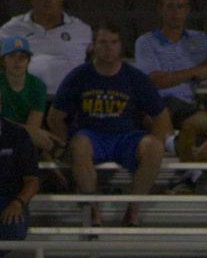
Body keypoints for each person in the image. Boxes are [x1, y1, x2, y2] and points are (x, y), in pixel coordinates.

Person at [48, 21, 171, 226]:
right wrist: (66, 144)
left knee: (154, 148)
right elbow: (55, 117)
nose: (108, 48)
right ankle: (92, 209)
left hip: (126, 137)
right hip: (91, 135)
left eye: (113, 42)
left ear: (121, 46)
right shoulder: (79, 76)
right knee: (79, 144)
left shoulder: (135, 78)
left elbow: (161, 116)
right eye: (103, 42)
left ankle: (133, 209)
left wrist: (156, 141)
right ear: (93, 46)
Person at [134, 0, 207, 194]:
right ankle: (189, 169)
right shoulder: (146, 42)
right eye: (171, 6)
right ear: (160, 9)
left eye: (181, 7)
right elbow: (154, 80)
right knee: (166, 114)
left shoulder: (198, 40)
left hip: (185, 107)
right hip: (155, 104)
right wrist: (194, 71)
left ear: (187, 10)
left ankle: (193, 168)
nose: (176, 13)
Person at [0, 0, 92, 97]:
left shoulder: (81, 29)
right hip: (25, 101)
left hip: (70, 101)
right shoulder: (12, 29)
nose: (47, 0)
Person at [0, 36, 62, 156]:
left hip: (25, 137)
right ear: (3, 61)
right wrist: (39, 134)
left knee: (35, 142)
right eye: (11, 56)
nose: (17, 62)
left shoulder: (38, 86)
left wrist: (35, 133)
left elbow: (33, 125)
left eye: (22, 57)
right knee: (43, 141)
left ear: (28, 60)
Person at [0, 85, 39, 242]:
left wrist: (18, 203)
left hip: (8, 197)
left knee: (14, 227)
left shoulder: (17, 135)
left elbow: (32, 181)